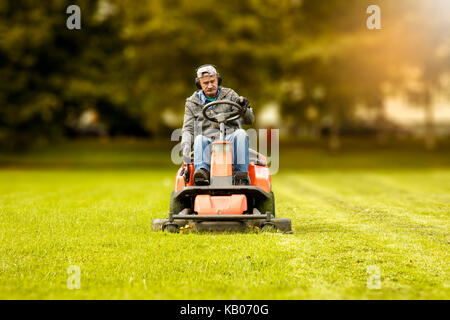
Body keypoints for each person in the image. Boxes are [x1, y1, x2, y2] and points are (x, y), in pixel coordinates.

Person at [181, 64, 255, 185]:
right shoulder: (192, 102)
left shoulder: (230, 95)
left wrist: (245, 108)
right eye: (205, 83)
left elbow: (249, 120)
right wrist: (186, 148)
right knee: (199, 138)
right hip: (207, 141)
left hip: (230, 139)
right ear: (199, 84)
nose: (210, 86)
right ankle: (202, 173)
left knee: (241, 133)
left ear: (218, 80)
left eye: (212, 81)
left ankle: (241, 175)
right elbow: (188, 129)